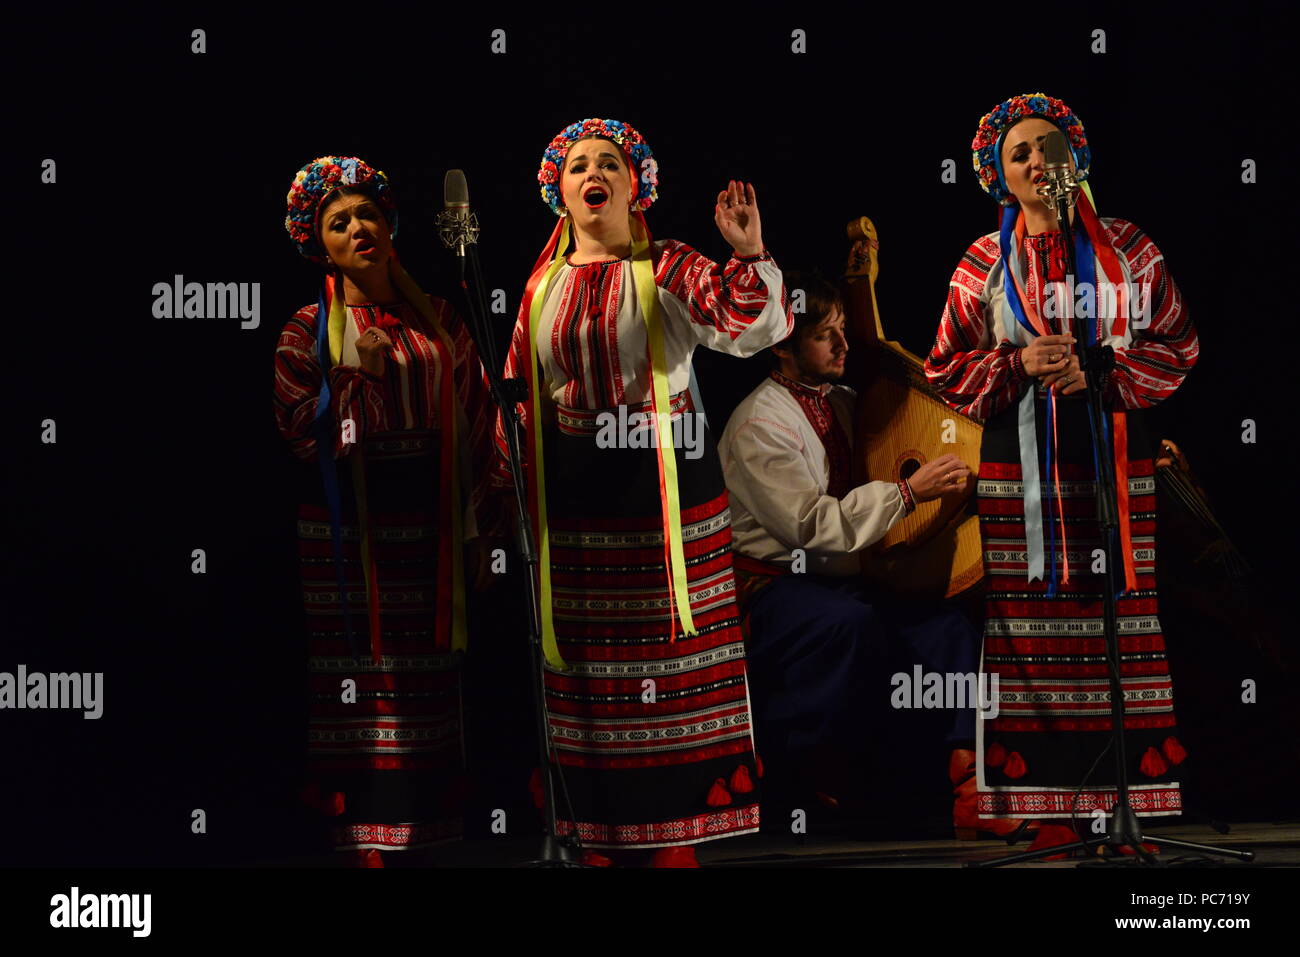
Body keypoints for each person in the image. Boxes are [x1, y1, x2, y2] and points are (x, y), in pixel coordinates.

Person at [494, 118, 793, 866]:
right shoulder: (542, 284)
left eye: (610, 164)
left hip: (666, 491)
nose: (593, 173)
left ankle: (677, 840)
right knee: (589, 667)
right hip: (577, 495)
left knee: (673, 661)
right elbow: (520, 394)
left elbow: (747, 325)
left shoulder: (668, 265)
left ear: (635, 186)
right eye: (577, 167)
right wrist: (509, 490)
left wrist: (749, 253)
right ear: (560, 193)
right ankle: (594, 832)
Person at [924, 94, 1199, 853]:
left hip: (1112, 463)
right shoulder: (983, 261)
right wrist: (1014, 364)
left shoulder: (1129, 249)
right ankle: (1045, 807)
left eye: (1051, 146)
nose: (1038, 161)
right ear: (998, 176)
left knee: (1121, 621)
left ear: (1077, 158)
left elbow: (1178, 343)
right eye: (1021, 154)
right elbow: (945, 367)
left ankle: (1123, 807)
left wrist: (1105, 369)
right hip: (1020, 475)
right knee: (1031, 632)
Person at [274, 156, 497, 866]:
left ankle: (432, 838)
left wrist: (479, 532)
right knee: (367, 690)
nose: (357, 227)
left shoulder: (443, 321)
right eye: (338, 222)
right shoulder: (303, 331)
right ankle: (365, 839)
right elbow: (315, 441)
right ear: (321, 245)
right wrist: (359, 379)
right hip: (353, 541)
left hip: (432, 529)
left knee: (430, 685)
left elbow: (479, 425)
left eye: (366, 212)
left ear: (390, 224)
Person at [718, 272, 991, 836]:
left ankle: (969, 785)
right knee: (850, 623)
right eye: (825, 335)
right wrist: (911, 494)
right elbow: (810, 527)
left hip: (848, 577)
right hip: (776, 587)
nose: (843, 346)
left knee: (945, 624)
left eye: (844, 330)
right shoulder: (757, 425)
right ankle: (811, 776)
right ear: (781, 345)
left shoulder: (850, 405)